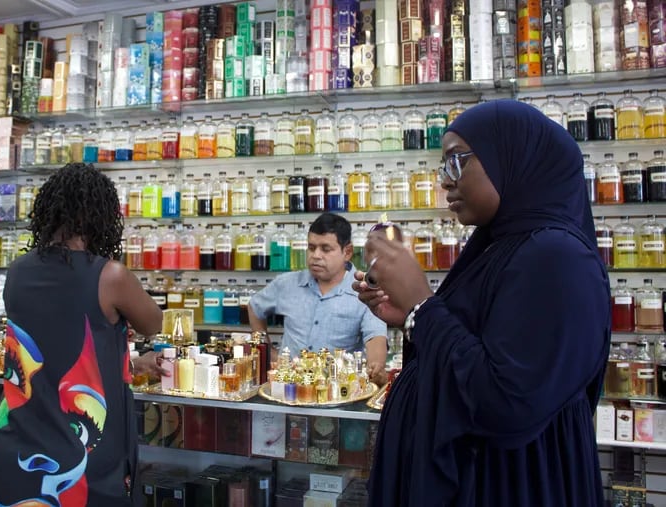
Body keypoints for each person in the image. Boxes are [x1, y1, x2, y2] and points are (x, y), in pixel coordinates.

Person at [353, 100, 610, 506]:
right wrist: (411, 317)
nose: (445, 182)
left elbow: (507, 400)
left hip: (512, 485)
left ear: (513, 159)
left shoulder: (556, 256)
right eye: (443, 167)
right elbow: (476, 343)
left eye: (457, 162)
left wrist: (423, 305)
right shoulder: (501, 246)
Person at [0, 163, 166, 507]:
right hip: (78, 467)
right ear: (101, 216)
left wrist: (133, 363)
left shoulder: (17, 272)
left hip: (17, 454)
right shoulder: (109, 275)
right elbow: (153, 323)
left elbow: (54, 348)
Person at [248, 213, 388, 385]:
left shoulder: (364, 290)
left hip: (336, 393)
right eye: (312, 247)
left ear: (347, 252)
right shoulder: (286, 284)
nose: (316, 255)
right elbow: (254, 307)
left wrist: (376, 366)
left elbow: (376, 337)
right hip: (287, 390)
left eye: (326, 249)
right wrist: (267, 352)